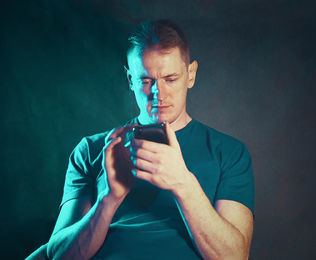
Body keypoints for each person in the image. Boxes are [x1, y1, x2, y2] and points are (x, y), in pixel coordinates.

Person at [26, 19, 254, 260]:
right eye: (146, 81)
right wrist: (109, 198)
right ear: (130, 80)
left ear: (190, 74)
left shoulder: (229, 153)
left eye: (170, 79)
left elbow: (235, 257)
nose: (158, 93)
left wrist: (183, 184)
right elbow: (58, 256)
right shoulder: (91, 150)